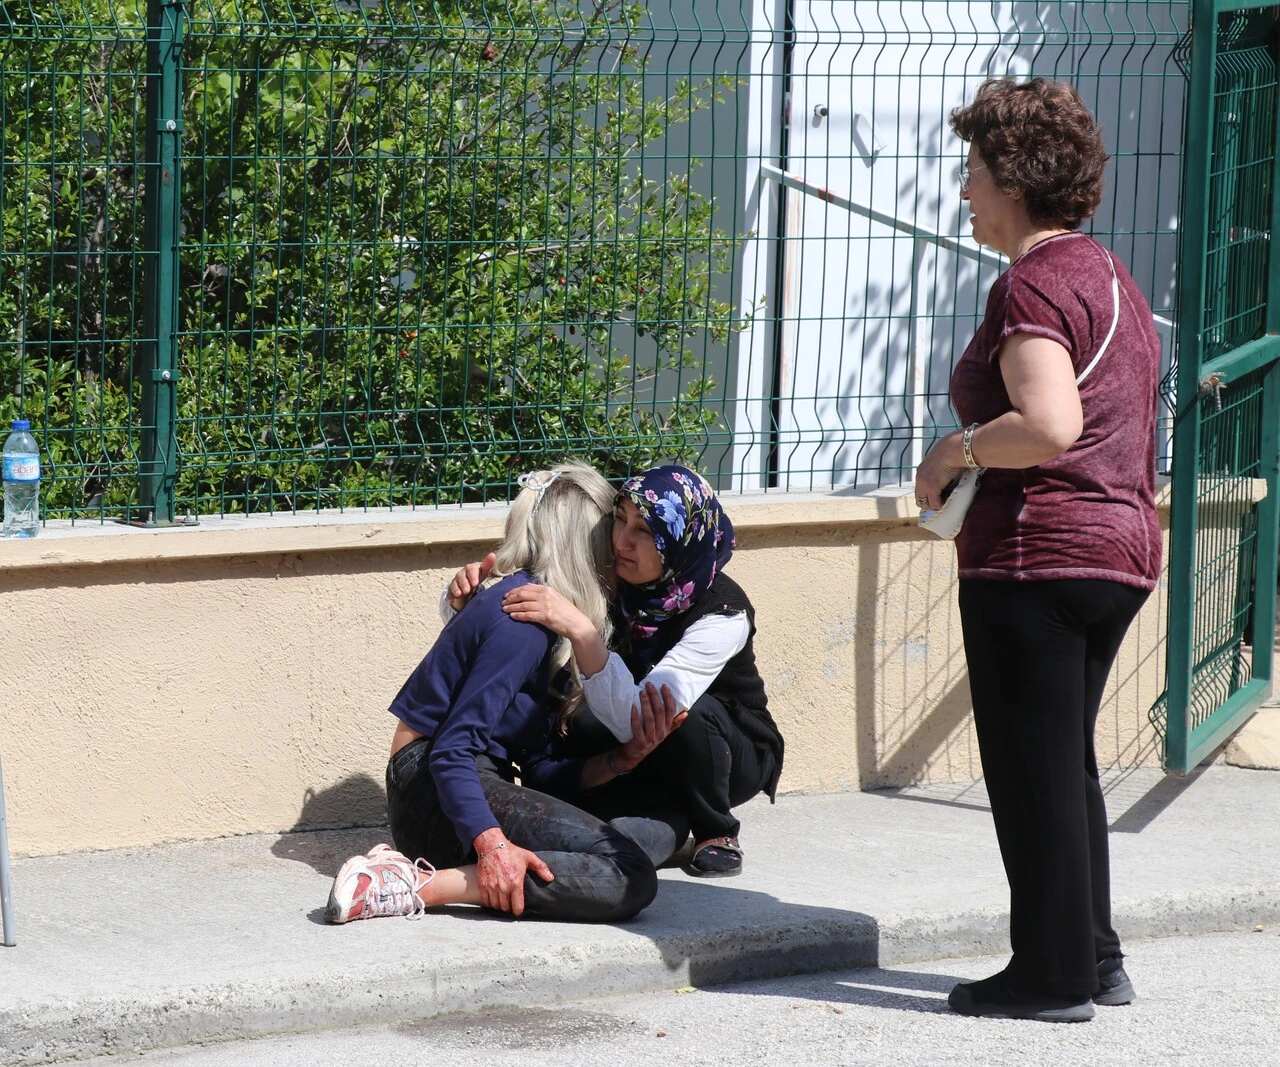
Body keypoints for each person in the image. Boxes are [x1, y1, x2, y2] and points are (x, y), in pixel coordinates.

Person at [914, 78, 1162, 1022]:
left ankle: (1050, 975)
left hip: (1037, 558)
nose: (965, 191)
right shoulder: (1110, 278)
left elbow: (1049, 422)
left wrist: (957, 450)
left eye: (973, 172)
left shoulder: (1030, 282)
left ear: (1015, 179)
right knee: (1064, 764)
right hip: (1118, 552)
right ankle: (1092, 955)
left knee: (1029, 770)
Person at [325, 462, 687, 925]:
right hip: (431, 792)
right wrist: (493, 845)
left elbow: (536, 769)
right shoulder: (523, 619)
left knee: (661, 827)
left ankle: (465, 871)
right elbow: (453, 750)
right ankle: (409, 883)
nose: (617, 549)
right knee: (630, 875)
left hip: (457, 785)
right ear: (584, 545)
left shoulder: (547, 615)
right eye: (608, 535)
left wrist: (622, 760)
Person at [450, 463, 785, 878]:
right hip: (643, 753)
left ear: (679, 539)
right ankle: (652, 817)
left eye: (644, 531)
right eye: (620, 520)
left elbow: (639, 719)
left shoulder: (722, 611)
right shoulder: (617, 582)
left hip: (727, 755)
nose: (622, 541)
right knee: (575, 712)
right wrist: (468, 608)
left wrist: (583, 632)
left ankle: (716, 828)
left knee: (683, 713)